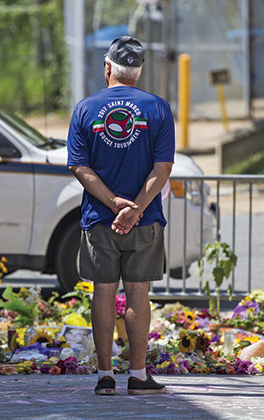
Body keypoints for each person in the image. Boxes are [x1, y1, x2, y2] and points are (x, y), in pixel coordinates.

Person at [67, 36, 174, 396]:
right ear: (139, 70)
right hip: (144, 220)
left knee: (104, 292)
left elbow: (79, 167)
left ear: (108, 67)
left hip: (99, 218)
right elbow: (162, 169)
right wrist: (136, 209)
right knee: (138, 293)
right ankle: (139, 374)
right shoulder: (158, 108)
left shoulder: (85, 108)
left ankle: (104, 376)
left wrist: (114, 204)